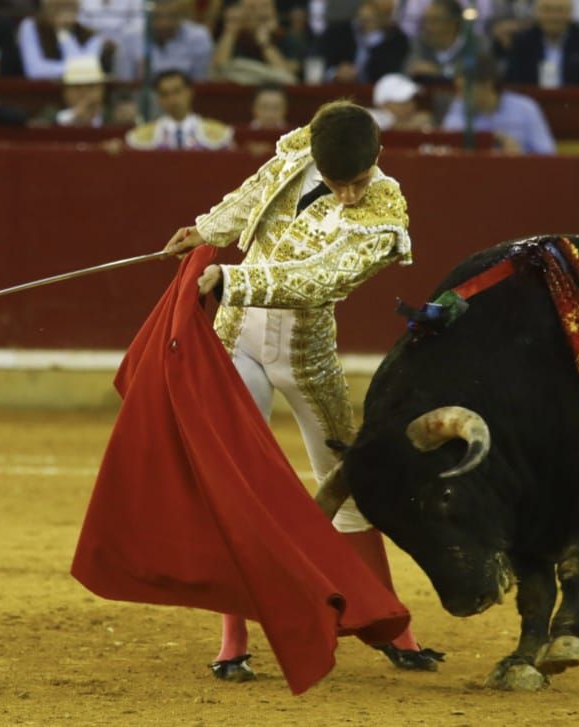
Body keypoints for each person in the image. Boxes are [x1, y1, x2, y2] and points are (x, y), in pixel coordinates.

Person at [159, 99, 440, 682]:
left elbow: (321, 277)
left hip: (305, 355)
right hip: (235, 339)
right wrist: (205, 231)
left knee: (350, 488)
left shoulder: (385, 210)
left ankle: (392, 627)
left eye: (358, 182)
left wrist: (233, 278)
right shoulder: (293, 154)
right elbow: (250, 200)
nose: (350, 196)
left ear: (377, 159)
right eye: (339, 184)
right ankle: (232, 641)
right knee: (234, 486)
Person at [441, 54, 557, 153]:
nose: (460, 96)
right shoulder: (459, 107)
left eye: (465, 90)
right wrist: (492, 138)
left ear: (487, 84)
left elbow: (548, 154)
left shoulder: (526, 108)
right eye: (458, 90)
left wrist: (520, 155)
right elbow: (450, 142)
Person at [124, 69, 234, 149]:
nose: (172, 99)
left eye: (177, 91)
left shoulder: (218, 133)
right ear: (159, 100)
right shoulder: (144, 136)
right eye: (165, 94)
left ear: (189, 92)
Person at [505, 0, 579, 87]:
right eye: (547, 10)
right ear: (536, 13)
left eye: (560, 10)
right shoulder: (522, 42)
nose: (554, 16)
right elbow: (514, 82)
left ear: (571, 13)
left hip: (576, 102)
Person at [18, 0, 115, 80]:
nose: (64, 13)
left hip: (80, 90)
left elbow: (86, 73)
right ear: (46, 8)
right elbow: (35, 71)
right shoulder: (31, 26)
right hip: (43, 90)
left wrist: (65, 35)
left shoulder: (89, 34)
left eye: (70, 7)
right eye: (58, 7)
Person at [319, 0, 410, 83]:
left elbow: (391, 74)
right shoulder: (338, 32)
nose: (366, 22)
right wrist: (336, 73)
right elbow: (320, 63)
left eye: (374, 16)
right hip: (338, 87)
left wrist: (374, 39)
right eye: (363, 19)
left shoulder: (396, 39)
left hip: (374, 90)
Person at [121, 0, 213, 81]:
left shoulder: (199, 38)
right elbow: (123, 87)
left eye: (172, 16)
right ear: (147, 15)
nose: (164, 23)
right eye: (157, 16)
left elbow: (201, 85)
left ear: (181, 15)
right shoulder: (130, 39)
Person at [368, 72, 433, 131]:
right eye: (403, 102)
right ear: (384, 104)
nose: (411, 106)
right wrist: (409, 126)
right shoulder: (371, 118)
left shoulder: (419, 121)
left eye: (412, 100)